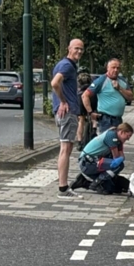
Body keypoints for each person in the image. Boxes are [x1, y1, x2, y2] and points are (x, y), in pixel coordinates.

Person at [50, 39, 85, 198]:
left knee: (67, 148)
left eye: (81, 49)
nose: (79, 52)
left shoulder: (63, 64)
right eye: (76, 48)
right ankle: (63, 188)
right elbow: (55, 83)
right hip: (67, 112)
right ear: (69, 49)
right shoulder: (67, 65)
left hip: (64, 112)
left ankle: (63, 186)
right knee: (65, 149)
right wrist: (63, 101)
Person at [79, 122, 134, 195]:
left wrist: (120, 158)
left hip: (94, 161)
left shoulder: (118, 139)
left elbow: (122, 156)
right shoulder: (112, 137)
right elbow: (116, 158)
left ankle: (82, 182)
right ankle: (97, 182)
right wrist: (120, 159)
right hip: (87, 163)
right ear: (121, 132)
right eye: (128, 136)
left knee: (109, 189)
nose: (128, 139)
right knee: (119, 165)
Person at [83, 58, 133, 133]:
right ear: (107, 68)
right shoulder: (101, 81)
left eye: (118, 68)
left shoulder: (122, 81)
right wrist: (90, 113)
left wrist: (120, 88)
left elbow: (130, 97)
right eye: (113, 67)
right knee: (108, 142)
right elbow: (85, 96)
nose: (116, 70)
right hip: (106, 119)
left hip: (119, 119)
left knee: (117, 143)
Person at [75, 71, 93, 151]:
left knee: (81, 121)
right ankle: (92, 135)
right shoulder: (89, 78)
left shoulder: (79, 78)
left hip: (79, 97)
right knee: (92, 116)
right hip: (90, 97)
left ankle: (79, 142)